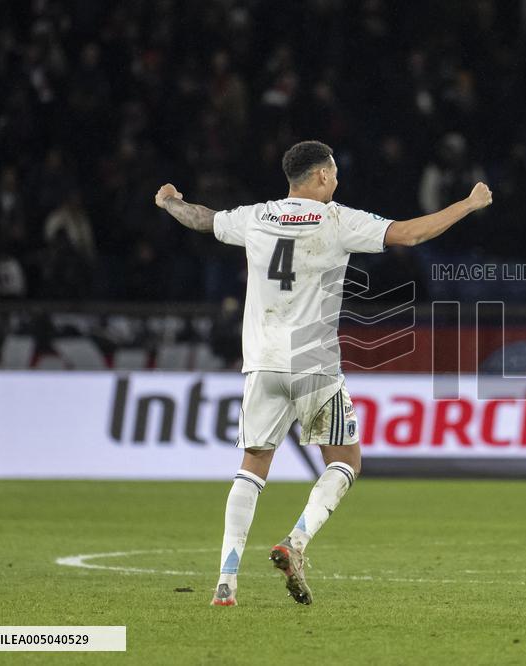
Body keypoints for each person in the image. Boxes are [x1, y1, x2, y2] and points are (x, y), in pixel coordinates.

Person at [154, 140, 493, 607]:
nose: (337, 180)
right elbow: (410, 235)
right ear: (319, 176)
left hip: (262, 362)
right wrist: (468, 204)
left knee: (252, 467)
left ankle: (226, 582)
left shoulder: (256, 216)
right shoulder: (337, 220)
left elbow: (202, 219)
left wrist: (170, 202)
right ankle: (295, 542)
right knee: (346, 461)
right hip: (313, 363)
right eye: (333, 173)